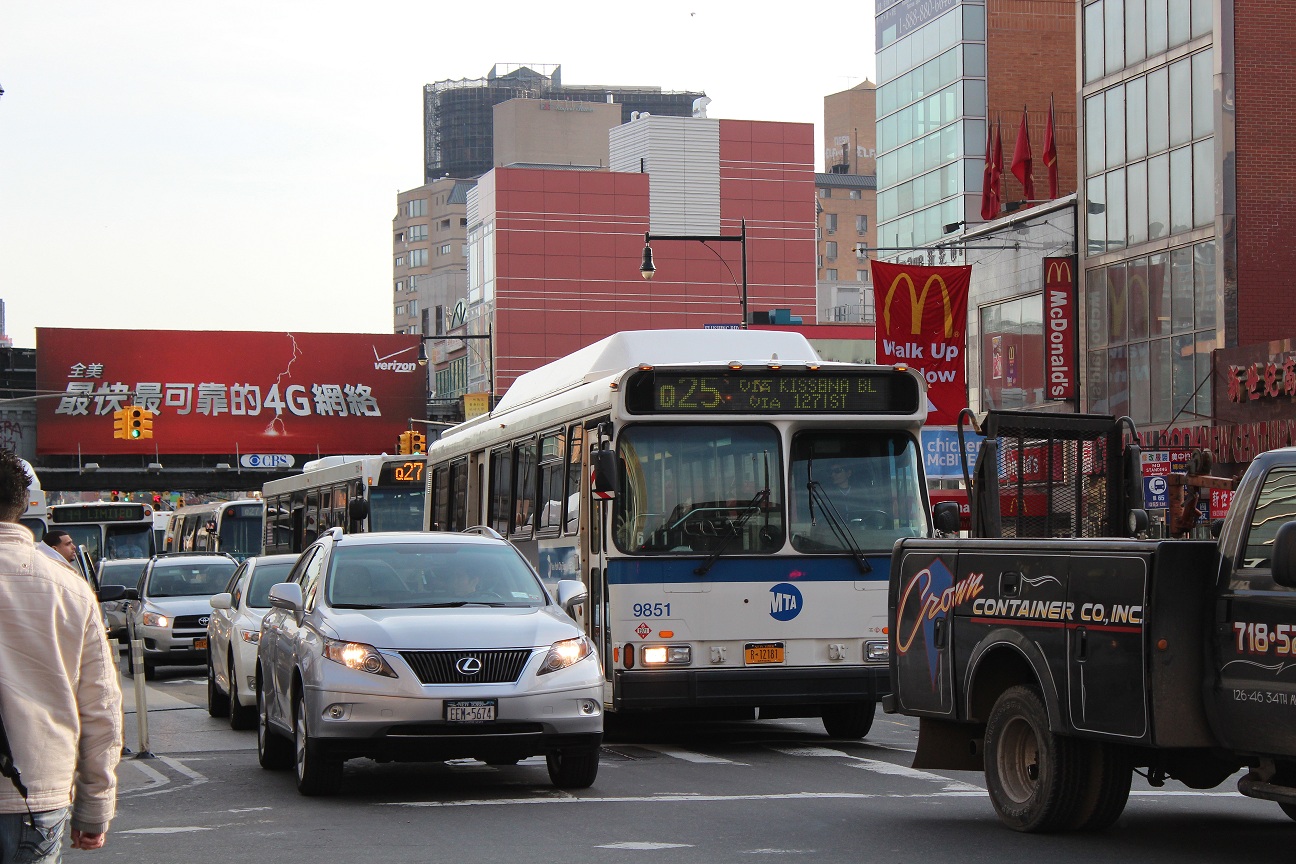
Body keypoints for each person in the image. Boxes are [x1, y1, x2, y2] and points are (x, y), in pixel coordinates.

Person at [0, 451, 122, 860]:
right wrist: (94, 806)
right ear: (22, 506)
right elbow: (100, 706)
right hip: (37, 793)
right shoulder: (69, 588)